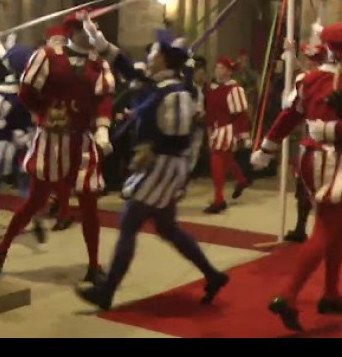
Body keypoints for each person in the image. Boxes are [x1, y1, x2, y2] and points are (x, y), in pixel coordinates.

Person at [75, 36, 229, 311]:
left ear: (164, 59)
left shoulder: (171, 93)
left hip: (161, 166)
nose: (150, 55)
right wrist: (97, 38)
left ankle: (107, 292)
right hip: (167, 167)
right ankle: (213, 275)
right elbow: (124, 65)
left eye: (155, 52)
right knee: (167, 228)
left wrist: (148, 146)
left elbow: (176, 133)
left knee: (129, 224)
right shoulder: (166, 86)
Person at [250, 22, 342, 332]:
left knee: (341, 224)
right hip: (341, 160)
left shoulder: (307, 79)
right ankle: (289, 295)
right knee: (326, 226)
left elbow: (289, 116)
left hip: (310, 158)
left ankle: (332, 293)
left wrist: (266, 148)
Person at [0, 18, 115, 284]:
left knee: (89, 202)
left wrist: (102, 130)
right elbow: (26, 91)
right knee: (35, 200)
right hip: (51, 140)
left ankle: (94, 264)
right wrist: (44, 111)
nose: (89, 34)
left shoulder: (98, 63)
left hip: (81, 140)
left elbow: (103, 99)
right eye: (83, 30)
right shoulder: (47, 56)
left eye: (92, 30)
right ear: (72, 32)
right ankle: (2, 248)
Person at [0, 44, 39, 242]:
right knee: (23, 185)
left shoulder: (0, 92)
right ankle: (35, 219)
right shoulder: (25, 93)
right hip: (22, 143)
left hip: (1, 144)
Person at [283, 41, 328, 243]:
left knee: (315, 187)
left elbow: (290, 104)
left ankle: (320, 229)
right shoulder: (322, 79)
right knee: (305, 186)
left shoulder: (312, 80)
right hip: (313, 138)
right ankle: (303, 227)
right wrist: (290, 54)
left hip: (318, 139)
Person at [202, 56, 252, 214]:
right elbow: (210, 113)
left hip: (229, 129)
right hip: (217, 129)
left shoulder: (235, 89)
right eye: (217, 67)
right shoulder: (212, 88)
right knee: (226, 159)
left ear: (229, 72)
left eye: (222, 68)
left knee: (217, 160)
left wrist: (243, 135)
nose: (218, 70)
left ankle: (219, 199)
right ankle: (242, 180)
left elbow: (241, 114)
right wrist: (209, 130)